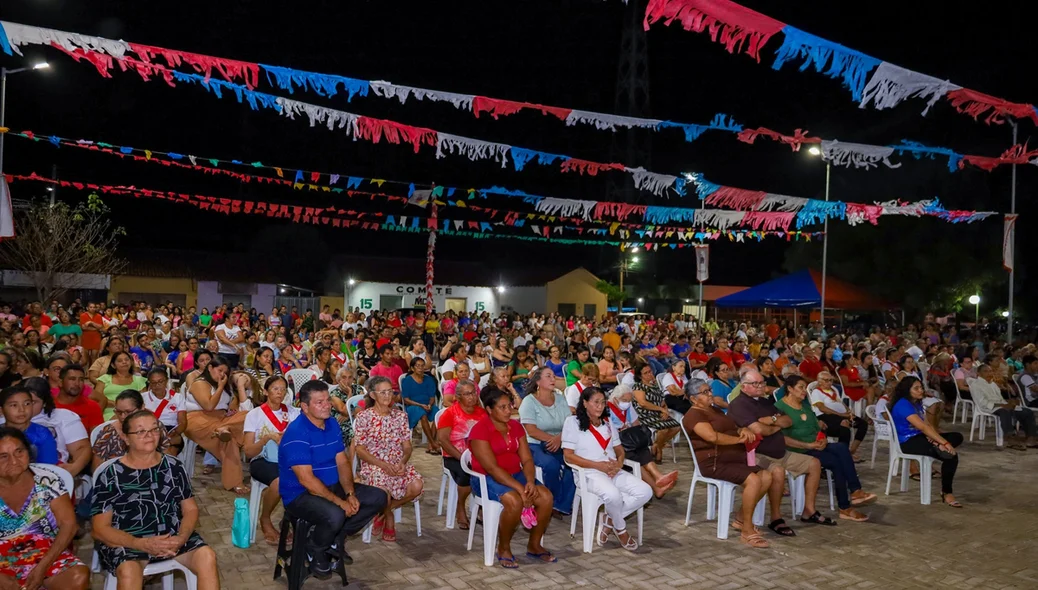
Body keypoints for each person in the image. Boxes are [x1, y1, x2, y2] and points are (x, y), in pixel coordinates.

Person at [90, 410, 219, 590]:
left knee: (207, 556)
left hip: (172, 536)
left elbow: (190, 509)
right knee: (128, 571)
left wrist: (181, 537)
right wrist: (139, 543)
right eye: (141, 431)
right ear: (126, 438)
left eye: (154, 429)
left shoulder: (174, 466)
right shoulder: (111, 475)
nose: (149, 435)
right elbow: (99, 528)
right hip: (128, 541)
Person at [279, 380, 388, 578]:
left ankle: (333, 537)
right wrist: (340, 502)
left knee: (379, 497)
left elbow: (342, 462)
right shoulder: (297, 433)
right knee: (336, 513)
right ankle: (315, 547)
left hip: (331, 486)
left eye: (328, 400)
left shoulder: (331, 424)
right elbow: (307, 481)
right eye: (319, 402)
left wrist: (350, 493)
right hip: (300, 495)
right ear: (304, 407)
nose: (327, 405)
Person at [725, 371, 833, 529]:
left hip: (780, 450)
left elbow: (788, 421)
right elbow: (759, 430)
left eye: (762, 382)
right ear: (744, 387)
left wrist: (771, 421)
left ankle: (809, 510)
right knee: (778, 471)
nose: (762, 386)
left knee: (814, 463)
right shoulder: (739, 405)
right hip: (757, 454)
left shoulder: (765, 401)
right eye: (756, 384)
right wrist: (774, 425)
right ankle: (776, 517)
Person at [468, 387, 556, 568]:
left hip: (515, 474)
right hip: (486, 479)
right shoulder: (480, 431)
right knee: (515, 501)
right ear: (489, 410)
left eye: (509, 406)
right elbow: (492, 468)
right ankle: (503, 547)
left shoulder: (516, 427)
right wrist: (519, 488)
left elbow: (527, 459)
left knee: (546, 497)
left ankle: (534, 545)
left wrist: (530, 482)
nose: (509, 411)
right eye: (502, 407)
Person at [681, 380, 774, 548]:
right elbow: (712, 437)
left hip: (733, 458)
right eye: (705, 392)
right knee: (753, 480)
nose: (710, 394)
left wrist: (742, 430)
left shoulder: (714, 410)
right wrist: (739, 440)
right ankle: (747, 530)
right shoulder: (693, 415)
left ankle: (740, 518)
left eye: (709, 390)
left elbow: (732, 427)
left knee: (766, 476)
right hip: (714, 462)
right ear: (694, 399)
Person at [562, 386, 652, 551]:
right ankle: (621, 530)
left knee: (645, 491)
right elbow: (568, 456)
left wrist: (618, 464)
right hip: (589, 472)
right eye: (595, 402)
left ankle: (610, 519)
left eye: (603, 402)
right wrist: (598, 466)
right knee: (613, 495)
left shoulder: (607, 422)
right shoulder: (572, 422)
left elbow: (619, 450)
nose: (600, 406)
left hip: (612, 469)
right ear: (584, 403)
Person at [0, 427, 90, 590]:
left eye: (19, 452)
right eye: (3, 456)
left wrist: (42, 567)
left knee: (78, 577)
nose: (14, 461)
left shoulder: (47, 480)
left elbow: (69, 524)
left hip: (46, 552)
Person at [776, 375, 876, 522]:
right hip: (798, 450)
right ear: (790, 389)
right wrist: (809, 445)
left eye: (805, 387)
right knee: (835, 461)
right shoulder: (780, 408)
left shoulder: (804, 405)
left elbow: (817, 426)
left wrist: (822, 437)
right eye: (801, 388)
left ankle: (855, 491)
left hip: (815, 445)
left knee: (842, 448)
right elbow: (781, 439)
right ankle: (844, 506)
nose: (805, 391)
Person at [353, 376, 424, 543]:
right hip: (374, 463)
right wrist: (383, 465)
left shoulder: (400, 416)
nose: (387, 396)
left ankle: (383, 512)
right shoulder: (364, 417)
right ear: (372, 395)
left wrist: (403, 462)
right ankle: (389, 516)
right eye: (382, 392)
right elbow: (360, 450)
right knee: (381, 491)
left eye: (390, 392)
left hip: (397, 462)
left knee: (417, 486)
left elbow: (407, 447)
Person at [888, 376, 964, 507]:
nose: (920, 390)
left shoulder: (916, 403)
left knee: (957, 436)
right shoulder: (903, 404)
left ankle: (937, 447)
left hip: (920, 437)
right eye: (916, 388)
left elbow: (927, 425)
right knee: (951, 455)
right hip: (908, 443)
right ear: (907, 390)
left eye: (921, 387)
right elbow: (922, 427)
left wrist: (936, 439)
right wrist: (943, 443)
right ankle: (947, 492)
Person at [243, 375, 300, 545]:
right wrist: (266, 438)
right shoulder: (255, 414)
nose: (280, 392)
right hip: (263, 460)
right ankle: (265, 518)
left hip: (289, 458)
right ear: (265, 391)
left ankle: (289, 519)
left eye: (283, 389)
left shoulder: (293, 412)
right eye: (275, 388)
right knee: (280, 482)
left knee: (309, 476)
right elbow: (248, 451)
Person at [184, 357, 249, 494]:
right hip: (198, 420)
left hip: (220, 420)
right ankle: (235, 482)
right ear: (209, 368)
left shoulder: (224, 386)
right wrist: (220, 387)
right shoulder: (199, 383)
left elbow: (229, 405)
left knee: (249, 415)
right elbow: (208, 406)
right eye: (219, 370)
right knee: (229, 440)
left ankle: (225, 429)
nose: (221, 375)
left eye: (225, 372)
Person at [518, 367, 576, 517]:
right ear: (538, 381)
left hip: (560, 441)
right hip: (534, 443)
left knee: (574, 464)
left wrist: (559, 438)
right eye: (548, 376)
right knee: (551, 465)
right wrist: (553, 439)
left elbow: (570, 424)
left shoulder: (561, 399)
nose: (553, 379)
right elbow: (531, 430)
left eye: (553, 376)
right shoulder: (529, 401)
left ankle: (561, 505)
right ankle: (551, 500)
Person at [605, 385, 678, 498]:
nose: (627, 403)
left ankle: (658, 476)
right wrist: (620, 428)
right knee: (634, 457)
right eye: (624, 400)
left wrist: (634, 433)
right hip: (616, 443)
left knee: (642, 448)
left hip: (629, 439)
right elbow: (606, 430)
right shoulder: (607, 409)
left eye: (630, 400)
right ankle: (656, 487)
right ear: (615, 399)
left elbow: (636, 424)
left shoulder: (628, 407)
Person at [436, 379, 487, 531]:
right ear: (458, 397)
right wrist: (462, 458)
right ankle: (460, 506)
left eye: (473, 393)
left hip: (477, 455)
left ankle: (483, 507)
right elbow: (443, 441)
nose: (471, 397)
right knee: (467, 474)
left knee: (494, 470)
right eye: (467, 394)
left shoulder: (482, 413)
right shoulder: (450, 413)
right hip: (454, 456)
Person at [969, 364, 1037, 450]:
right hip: (989, 407)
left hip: (1001, 405)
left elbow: (1000, 399)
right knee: (1005, 410)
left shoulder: (993, 384)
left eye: (990, 371)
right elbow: (983, 402)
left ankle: (1031, 438)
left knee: (1027, 411)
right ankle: (1010, 438)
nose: (989, 373)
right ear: (978, 373)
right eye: (985, 371)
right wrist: (1003, 405)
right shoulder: (976, 385)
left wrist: (1009, 403)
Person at [809, 372, 869, 460]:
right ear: (820, 381)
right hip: (826, 416)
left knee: (863, 424)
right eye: (826, 380)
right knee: (844, 424)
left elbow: (840, 402)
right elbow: (822, 408)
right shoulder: (816, 392)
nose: (829, 382)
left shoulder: (833, 390)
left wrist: (849, 412)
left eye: (831, 380)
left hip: (841, 415)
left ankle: (851, 451)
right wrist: (842, 414)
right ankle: (843, 454)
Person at [630, 361, 681, 462]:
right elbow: (643, 403)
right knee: (664, 429)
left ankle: (657, 445)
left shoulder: (655, 385)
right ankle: (659, 451)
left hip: (658, 412)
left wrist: (665, 410)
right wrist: (661, 409)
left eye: (650, 371)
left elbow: (662, 402)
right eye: (646, 373)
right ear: (640, 376)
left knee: (676, 427)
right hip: (645, 414)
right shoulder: (638, 386)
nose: (650, 374)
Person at [1, 385, 58, 465]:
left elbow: (48, 467)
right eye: (14, 405)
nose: (22, 410)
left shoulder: (42, 434)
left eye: (27, 404)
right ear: (1, 410)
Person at [141, 367, 188, 456]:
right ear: (149, 383)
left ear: (166, 381)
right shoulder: (143, 398)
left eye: (160, 381)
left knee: (170, 446)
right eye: (153, 383)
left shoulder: (177, 397)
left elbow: (182, 422)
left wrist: (176, 433)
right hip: (150, 431)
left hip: (172, 432)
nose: (157, 385)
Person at [92, 352, 147, 420]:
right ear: (113, 365)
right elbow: (96, 399)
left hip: (132, 414)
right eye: (120, 361)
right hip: (109, 412)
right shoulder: (104, 379)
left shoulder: (139, 380)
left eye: (127, 360)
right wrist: (116, 405)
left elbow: (143, 401)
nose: (124, 362)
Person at [401, 357, 439, 453]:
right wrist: (420, 405)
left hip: (427, 405)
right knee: (422, 414)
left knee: (437, 413)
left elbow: (432, 397)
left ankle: (430, 444)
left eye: (422, 366)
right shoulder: (407, 380)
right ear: (412, 368)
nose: (420, 368)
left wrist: (430, 404)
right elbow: (406, 400)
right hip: (413, 406)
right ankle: (433, 443)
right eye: (418, 366)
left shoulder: (429, 380)